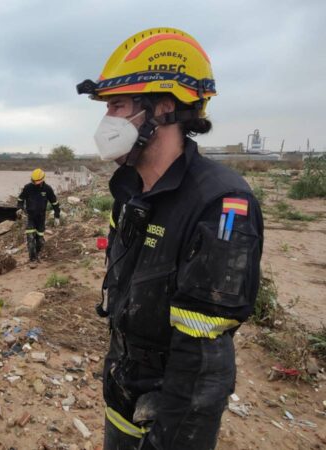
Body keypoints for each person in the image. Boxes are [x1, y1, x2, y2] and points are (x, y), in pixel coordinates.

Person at [76, 28, 263, 449]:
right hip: (123, 390)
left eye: (118, 106)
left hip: (171, 414)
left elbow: (204, 362)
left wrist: (171, 439)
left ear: (164, 107)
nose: (107, 121)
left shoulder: (221, 204)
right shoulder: (129, 190)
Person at [17, 168, 61, 262]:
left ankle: (37, 254)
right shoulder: (28, 187)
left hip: (41, 217)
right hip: (30, 216)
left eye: (35, 181)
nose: (34, 182)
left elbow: (55, 203)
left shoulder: (47, 189)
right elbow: (20, 199)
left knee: (39, 239)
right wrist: (19, 208)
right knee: (30, 237)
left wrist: (57, 216)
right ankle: (32, 259)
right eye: (32, 180)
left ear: (42, 180)